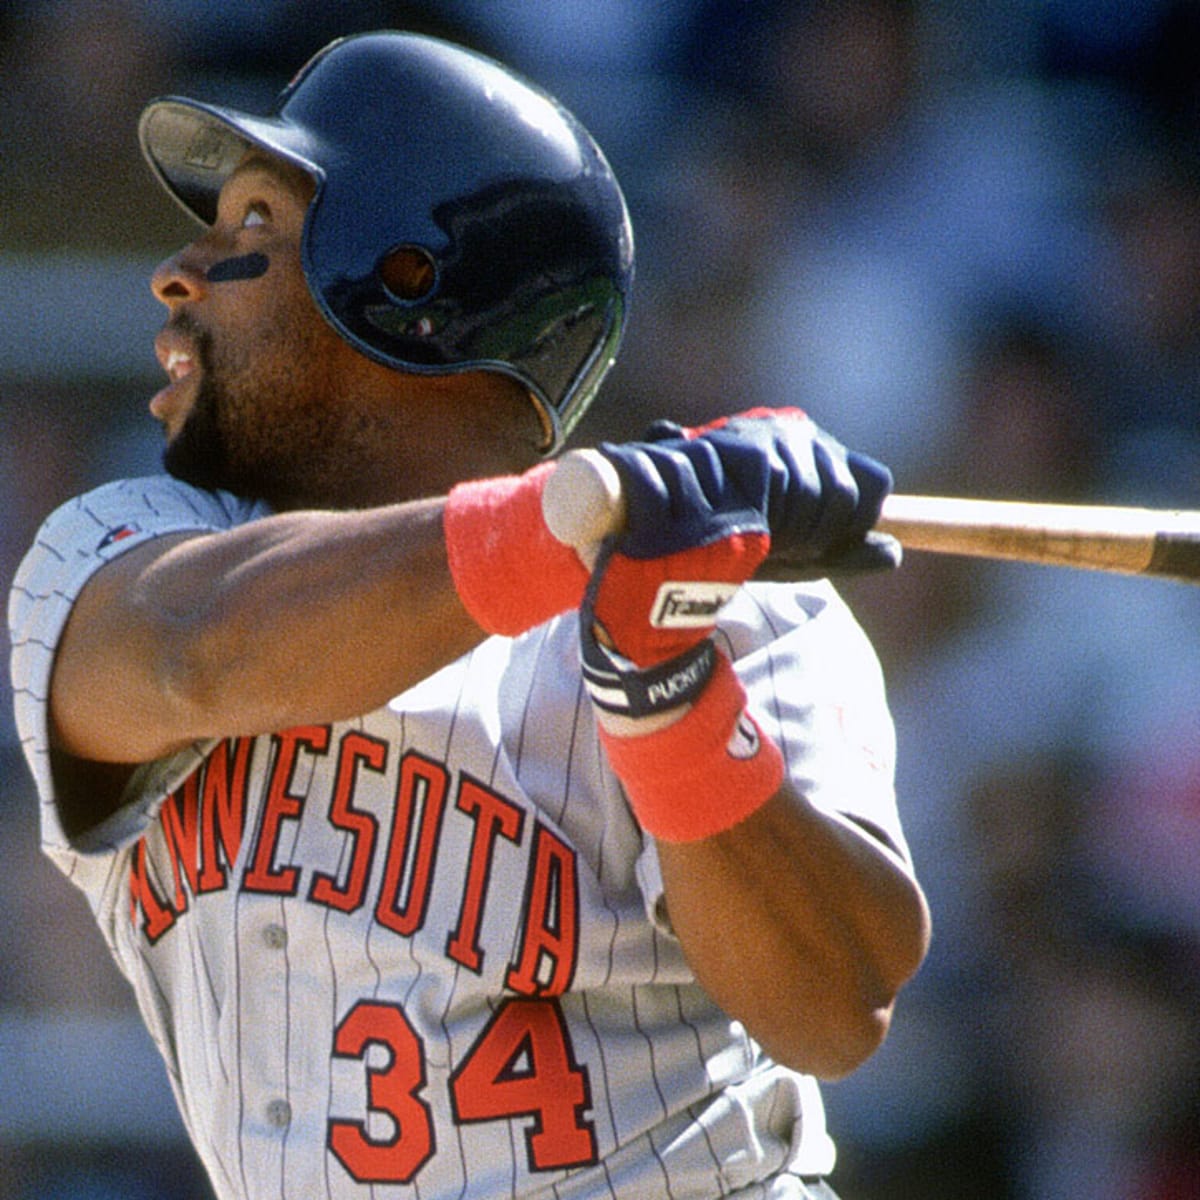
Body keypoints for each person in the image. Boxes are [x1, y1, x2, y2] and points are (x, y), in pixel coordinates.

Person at [7, 30, 929, 1200]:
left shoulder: (725, 600)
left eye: (252, 230)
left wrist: (666, 690)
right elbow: (200, 655)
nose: (177, 273)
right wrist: (562, 530)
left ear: (404, 283)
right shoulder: (119, 551)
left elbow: (839, 1006)